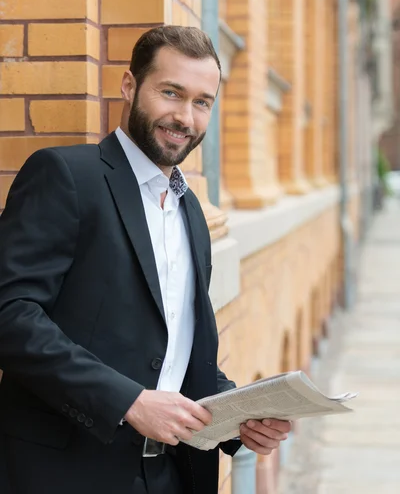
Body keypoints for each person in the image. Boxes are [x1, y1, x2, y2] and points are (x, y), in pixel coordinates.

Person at [0, 26, 291, 494]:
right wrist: (127, 401)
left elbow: (179, 351)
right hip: (66, 472)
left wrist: (240, 421)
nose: (185, 117)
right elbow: (11, 316)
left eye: (201, 102)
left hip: (170, 475)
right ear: (130, 86)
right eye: (170, 93)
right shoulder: (67, 176)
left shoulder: (192, 210)